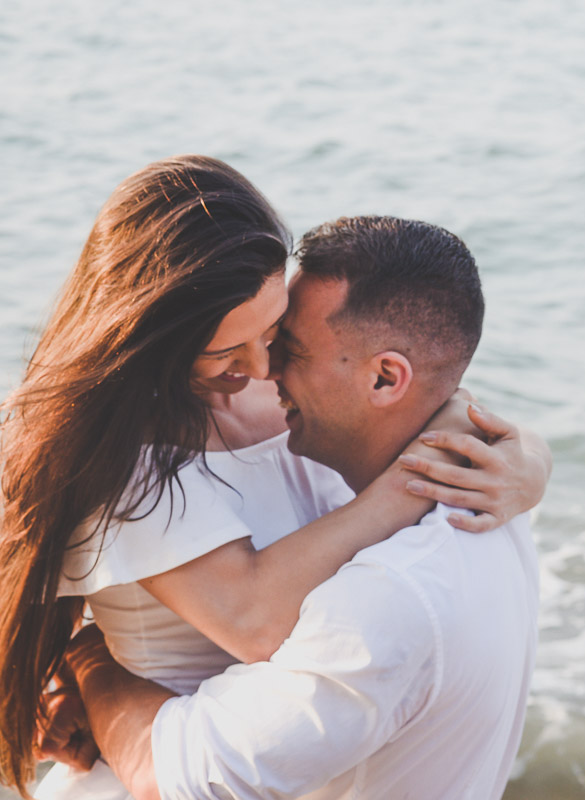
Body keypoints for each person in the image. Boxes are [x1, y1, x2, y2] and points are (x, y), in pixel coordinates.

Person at [0, 157, 551, 800]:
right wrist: (407, 485)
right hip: (164, 760)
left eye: (275, 331)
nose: (263, 366)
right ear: (156, 336)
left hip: (287, 750)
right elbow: (256, 621)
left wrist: (530, 459)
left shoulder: (286, 389)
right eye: (228, 351)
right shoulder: (119, 454)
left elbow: (414, 387)